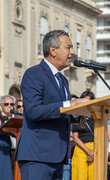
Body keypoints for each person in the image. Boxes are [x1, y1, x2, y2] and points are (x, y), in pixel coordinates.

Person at [16, 30, 88, 180]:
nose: (73, 52)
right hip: (37, 156)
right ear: (53, 50)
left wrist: (77, 111)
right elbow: (33, 111)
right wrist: (70, 104)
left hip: (58, 156)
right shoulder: (34, 74)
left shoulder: (63, 80)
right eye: (68, 47)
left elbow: (64, 113)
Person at [72, 90, 95, 180]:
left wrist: (93, 152)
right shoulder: (76, 117)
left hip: (95, 150)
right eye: (83, 101)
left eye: (88, 102)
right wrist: (88, 151)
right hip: (81, 150)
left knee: (94, 176)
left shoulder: (96, 117)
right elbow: (75, 137)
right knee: (80, 176)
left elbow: (99, 135)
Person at [0, 95, 16, 180]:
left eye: (12, 104)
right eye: (6, 104)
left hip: (17, 153)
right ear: (1, 105)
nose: (9, 106)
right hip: (3, 152)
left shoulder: (18, 117)